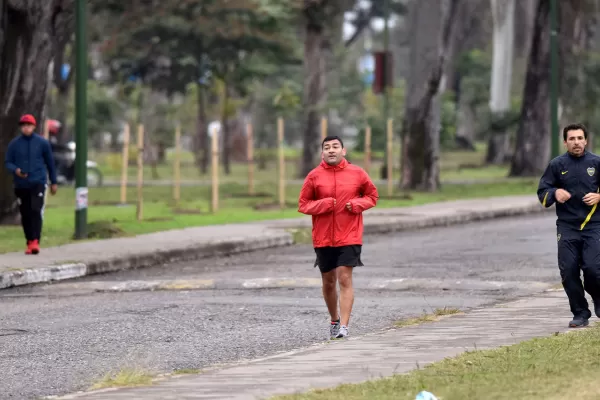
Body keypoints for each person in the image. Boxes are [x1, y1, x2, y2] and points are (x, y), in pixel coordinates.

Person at [298, 135, 379, 339]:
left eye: (335, 147)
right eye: (327, 147)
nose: (331, 150)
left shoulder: (357, 173)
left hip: (349, 234)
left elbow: (372, 196)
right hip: (323, 237)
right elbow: (303, 204)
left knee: (344, 277)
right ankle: (334, 319)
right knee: (328, 281)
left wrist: (357, 205)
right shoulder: (314, 176)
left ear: (344, 151)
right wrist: (323, 205)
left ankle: (344, 326)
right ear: (322, 153)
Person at [537, 123, 600, 328]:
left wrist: (599, 196)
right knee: (569, 270)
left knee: (592, 268)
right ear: (565, 142)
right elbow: (543, 191)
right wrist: (555, 193)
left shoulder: (596, 163)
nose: (576, 142)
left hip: (594, 225)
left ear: (586, 140)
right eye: (572, 139)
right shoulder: (557, 165)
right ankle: (580, 313)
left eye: (580, 138)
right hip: (567, 227)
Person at [4, 114, 58, 255]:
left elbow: (50, 163)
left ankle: (35, 241)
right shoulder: (14, 144)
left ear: (34, 126)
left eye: (29, 125)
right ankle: (29, 241)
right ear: (21, 127)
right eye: (24, 125)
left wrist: (54, 182)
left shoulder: (42, 143)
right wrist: (16, 170)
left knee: (35, 210)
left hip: (38, 181)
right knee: (26, 213)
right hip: (21, 184)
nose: (26, 128)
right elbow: (8, 162)